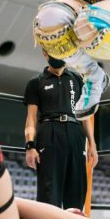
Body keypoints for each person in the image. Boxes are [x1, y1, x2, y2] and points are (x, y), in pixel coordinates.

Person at [24, 51, 97, 209]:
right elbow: (31, 117)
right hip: (49, 133)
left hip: (75, 132)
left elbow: (84, 115)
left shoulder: (77, 79)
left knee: (77, 191)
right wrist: (30, 145)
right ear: (45, 53)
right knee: (49, 193)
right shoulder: (36, 82)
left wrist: (92, 144)